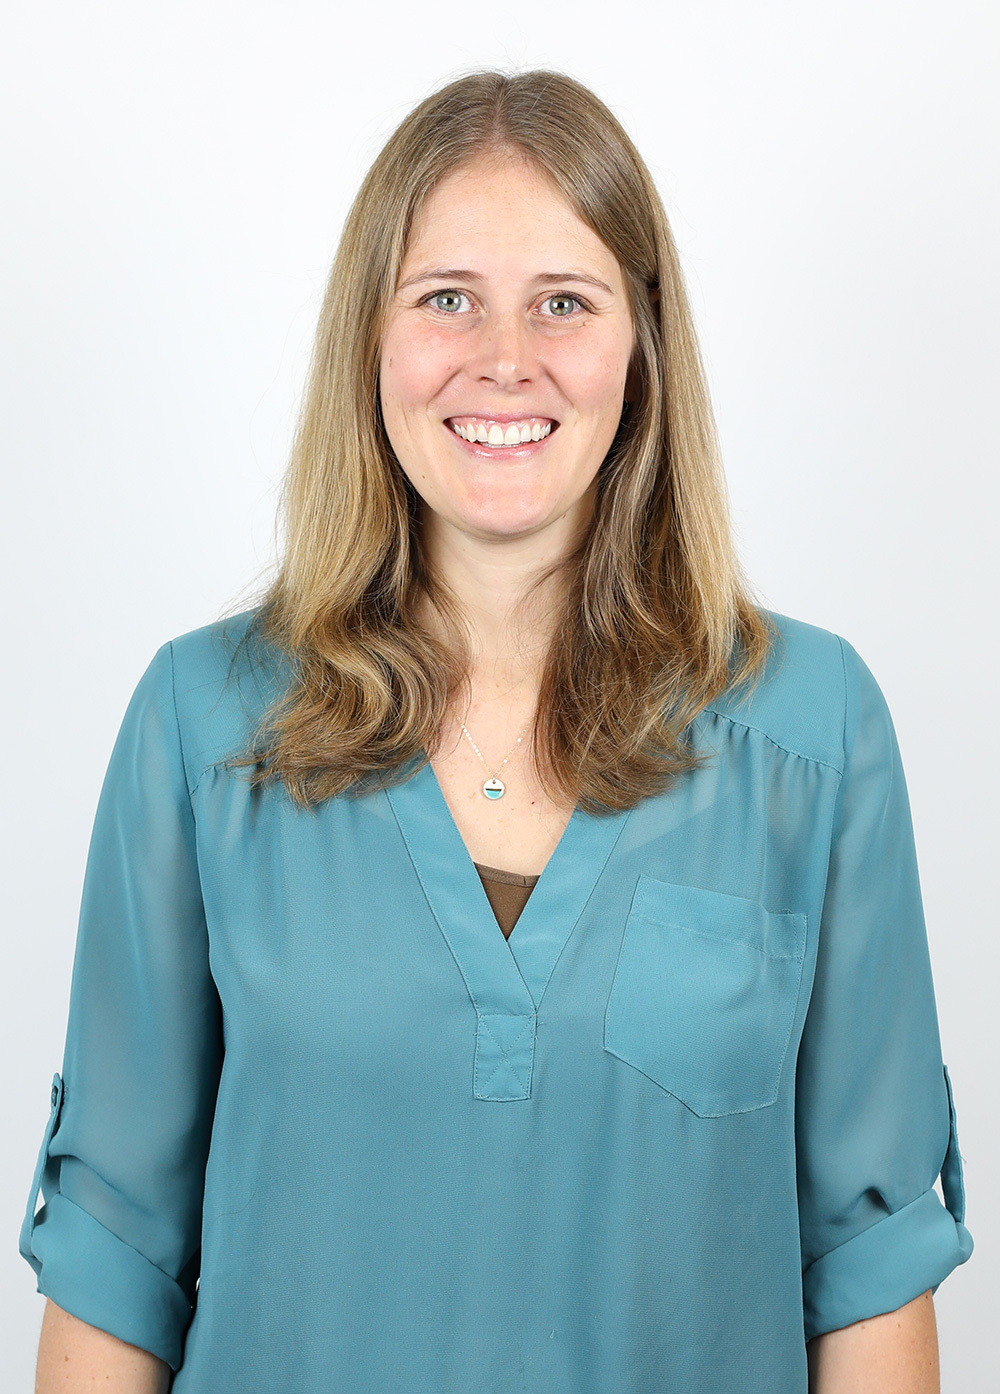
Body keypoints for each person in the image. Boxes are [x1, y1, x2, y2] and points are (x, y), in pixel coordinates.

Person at [20, 67, 973, 1394]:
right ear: (375, 337)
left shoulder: (813, 736)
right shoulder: (204, 727)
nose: (504, 358)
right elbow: (115, 1253)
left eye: (564, 303)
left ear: (639, 345)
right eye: (448, 298)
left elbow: (867, 1267)